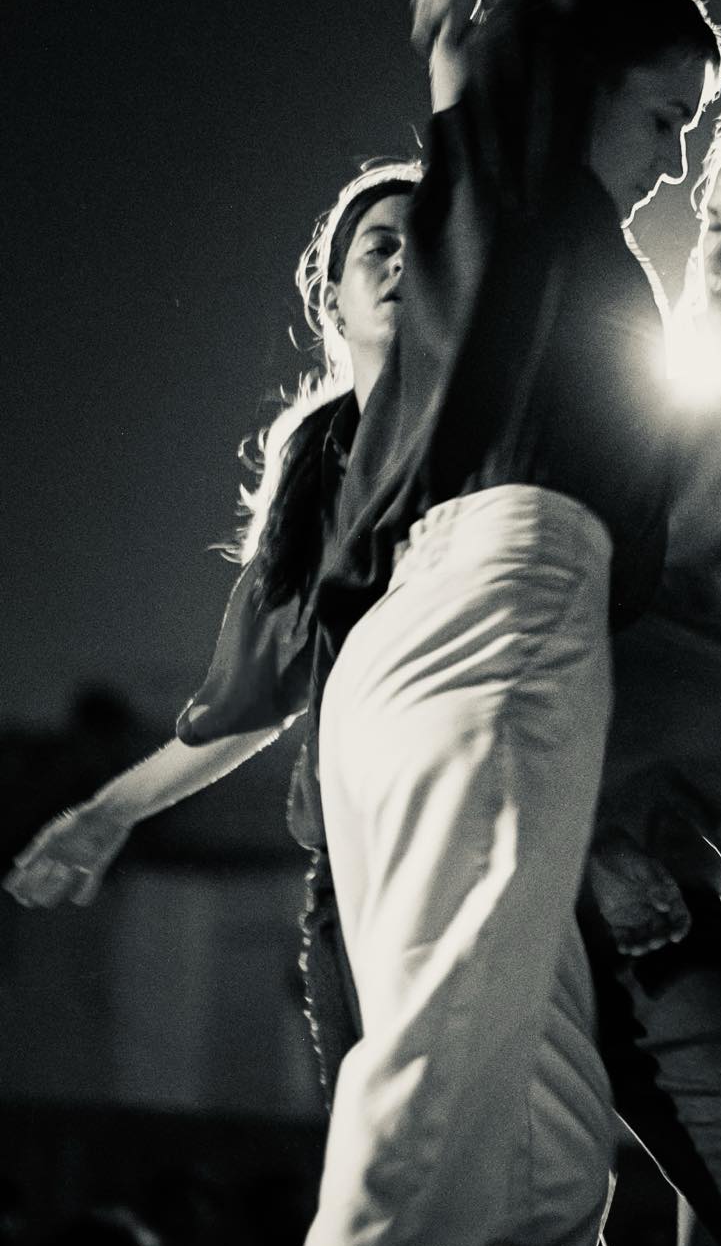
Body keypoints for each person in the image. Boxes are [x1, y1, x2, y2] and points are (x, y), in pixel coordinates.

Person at [265, 0, 721, 1246]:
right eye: (665, 116)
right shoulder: (529, 186)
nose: (674, 164)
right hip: (498, 627)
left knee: (539, 1172)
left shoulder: (496, 216)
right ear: (583, 80)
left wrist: (456, 12)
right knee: (428, 1125)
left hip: (423, 657)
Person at [5, 158, 421, 1096]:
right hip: (349, 877)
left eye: (431, 248)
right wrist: (103, 815)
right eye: (379, 248)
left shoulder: (498, 437)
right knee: (383, 1162)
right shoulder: (317, 475)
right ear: (335, 301)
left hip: (474, 845)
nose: (402, 265)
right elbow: (244, 704)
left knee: (502, 1171)